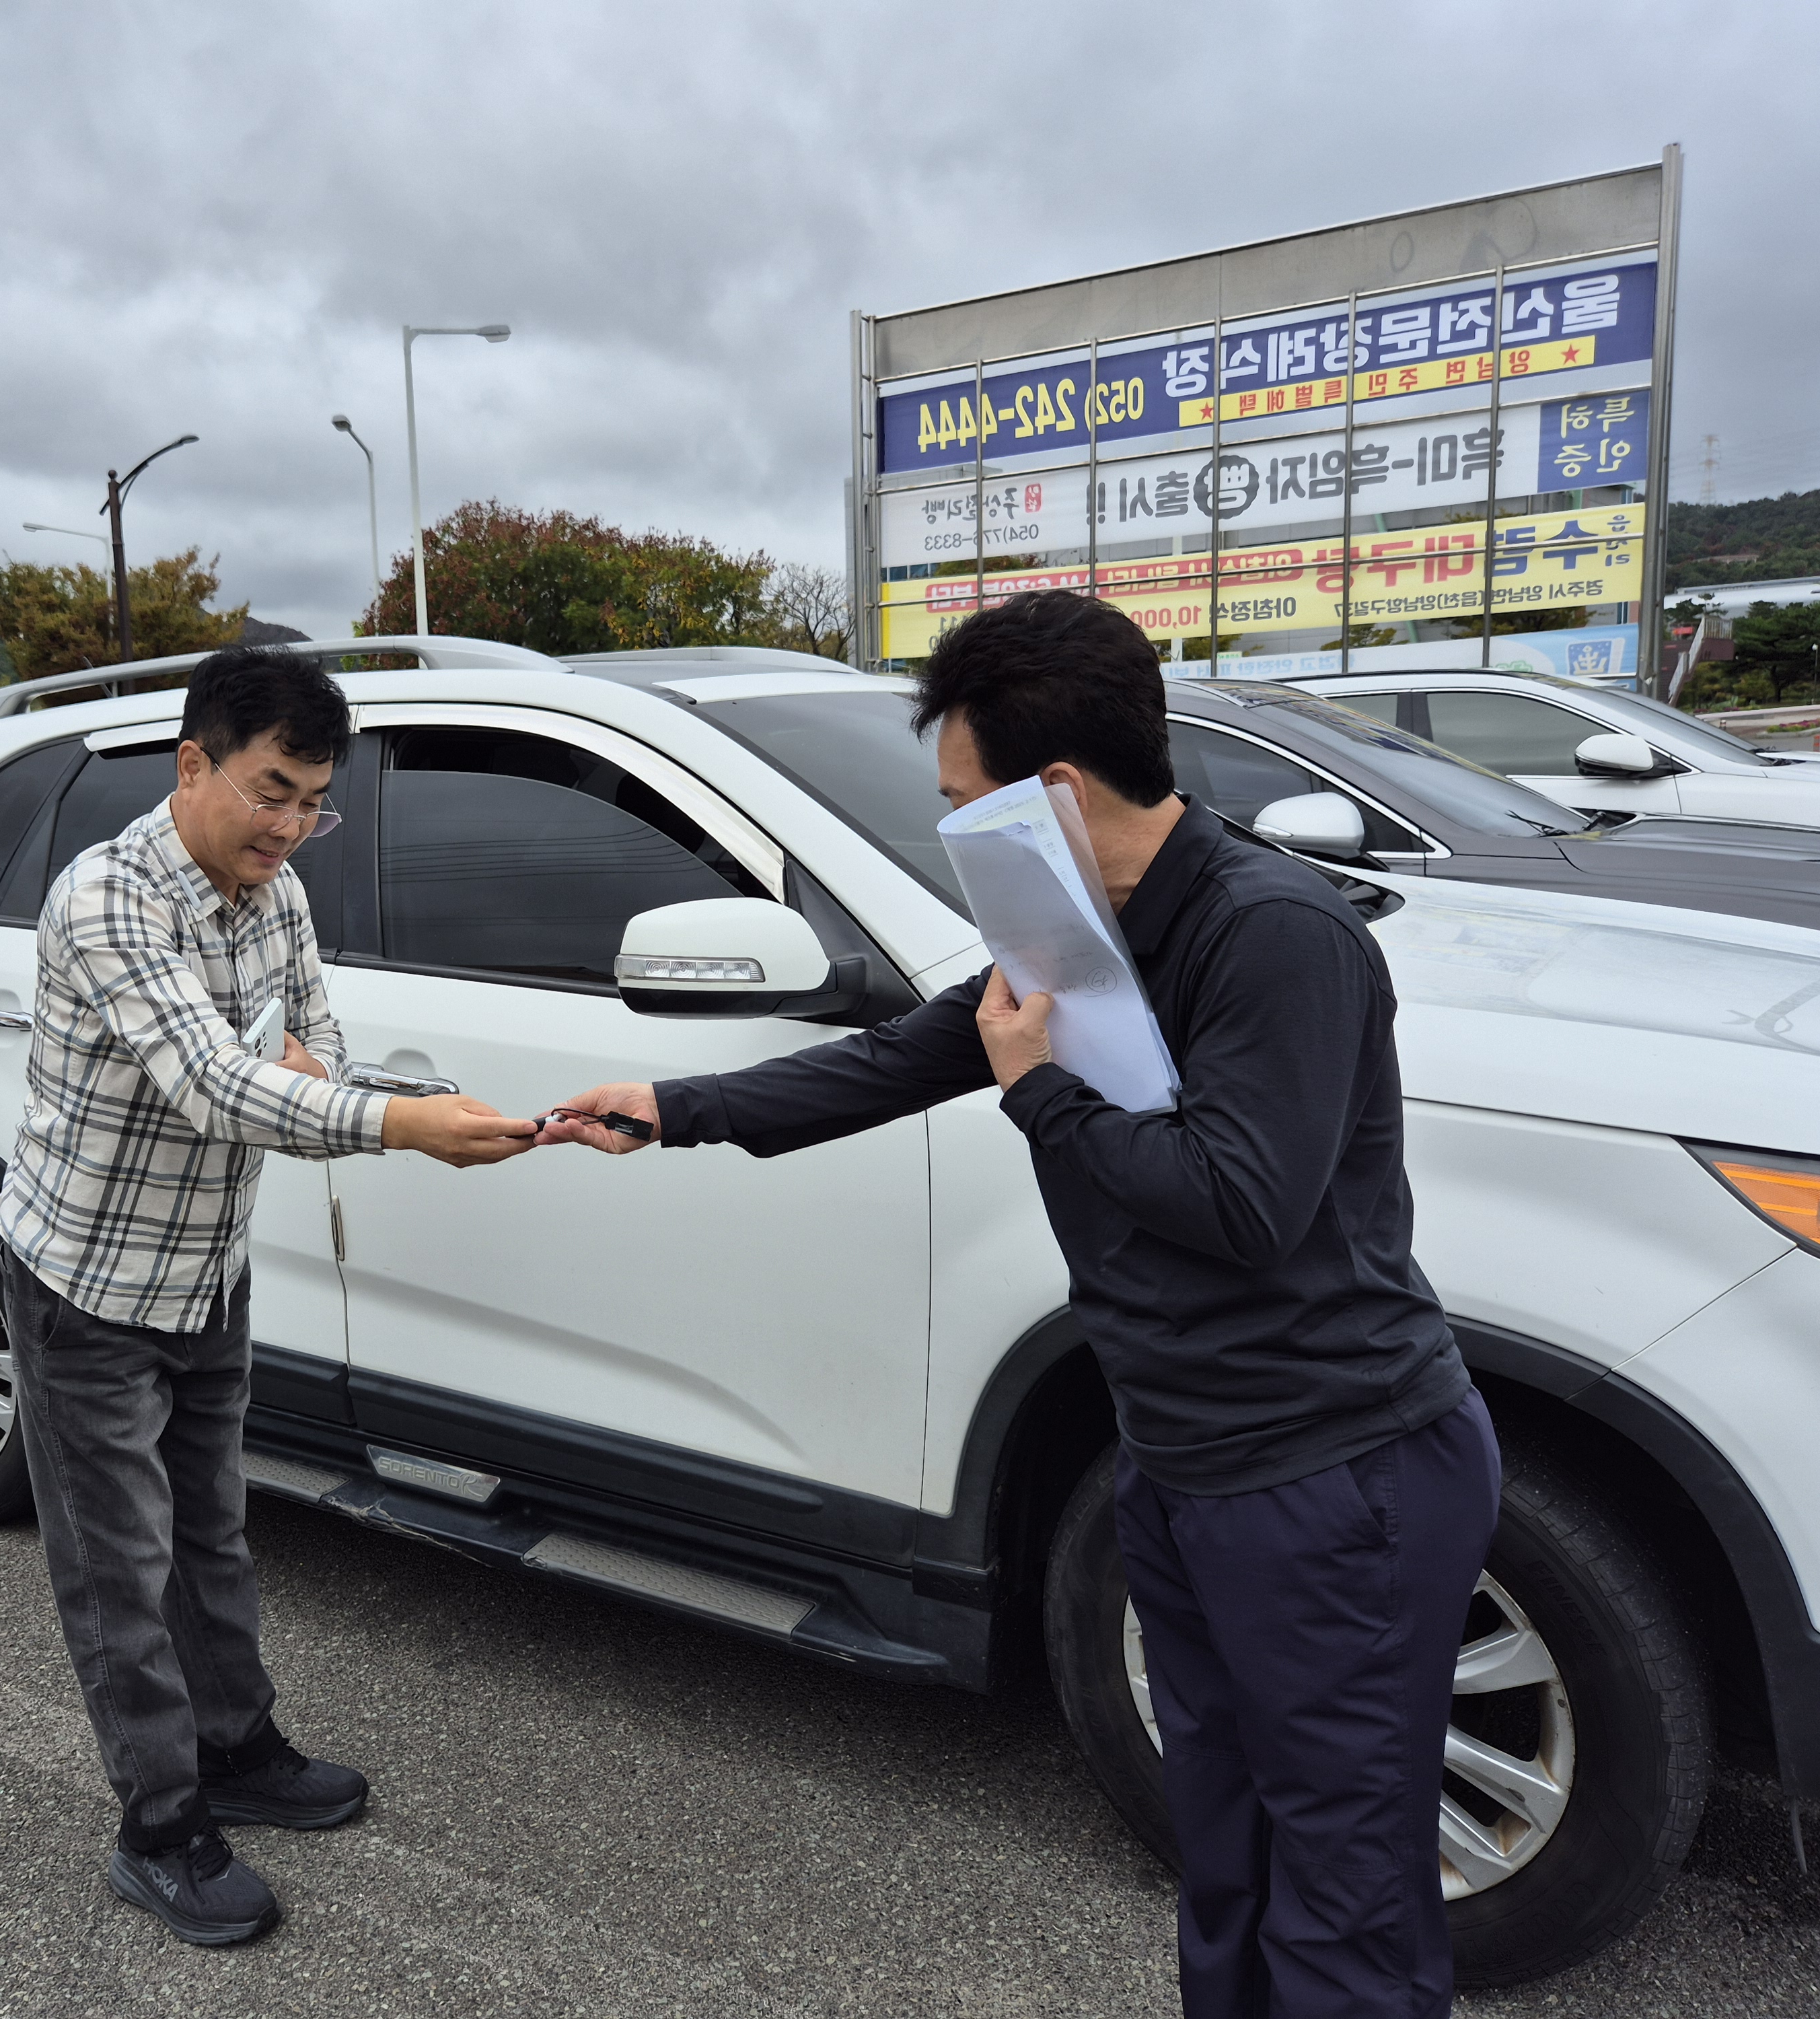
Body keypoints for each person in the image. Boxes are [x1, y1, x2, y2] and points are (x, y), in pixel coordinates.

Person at [540, 591, 1500, 2018]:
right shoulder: (1067, 919)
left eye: (958, 802)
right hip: (1176, 1469)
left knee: (1344, 1900)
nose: (947, 830)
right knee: (1220, 1853)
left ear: (1053, 791)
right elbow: (911, 1051)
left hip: (1330, 1484)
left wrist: (1036, 1090)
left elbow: (1241, 1203)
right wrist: (680, 1106)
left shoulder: (1275, 936)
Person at [0, 645, 538, 1946]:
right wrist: (400, 1122)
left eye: (314, 804)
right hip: (87, 1287)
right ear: (195, 766)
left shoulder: (269, 892)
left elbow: (316, 1043)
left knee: (215, 1537)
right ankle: (161, 1827)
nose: (293, 829)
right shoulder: (110, 899)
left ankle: (238, 1748)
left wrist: (330, 1078)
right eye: (273, 792)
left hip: (207, 1271)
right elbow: (221, 1087)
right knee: (120, 1570)